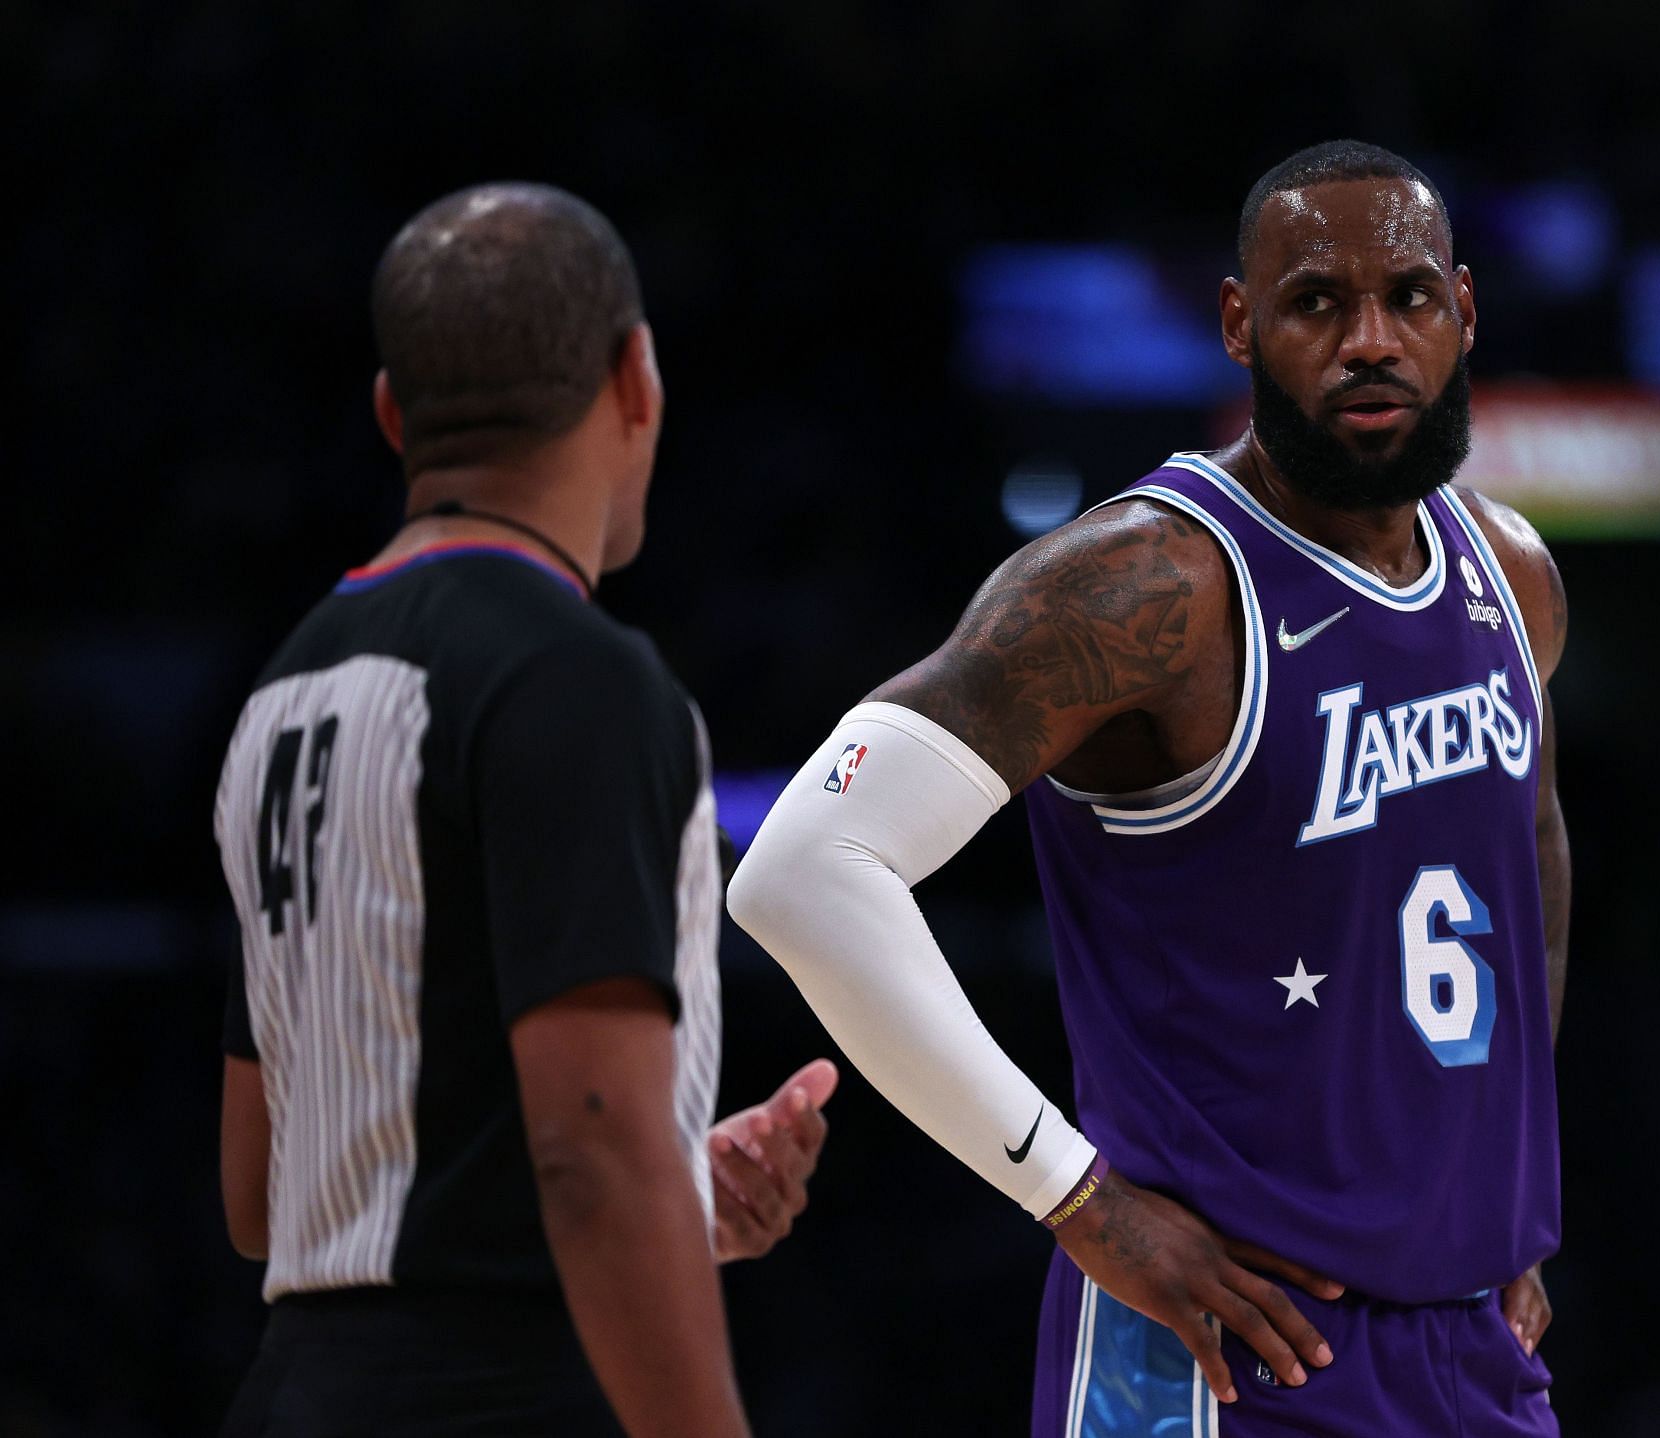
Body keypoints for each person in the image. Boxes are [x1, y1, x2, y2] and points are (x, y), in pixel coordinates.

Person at [728, 139, 1569, 1436]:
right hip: (1218, 1354)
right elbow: (804, 868)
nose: (1368, 340)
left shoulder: (1508, 576)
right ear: (1239, 324)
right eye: (1314, 302)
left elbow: (1526, 852)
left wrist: (1500, 1176)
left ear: (1463, 308)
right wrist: (1076, 1195)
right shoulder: (1149, 584)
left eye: (1406, 297)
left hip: (1474, 1346)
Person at [213, 183, 836, 1438]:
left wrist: (676, 1187)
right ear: (635, 378)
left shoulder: (285, 688)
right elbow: (590, 1161)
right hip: (507, 1399)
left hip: (297, 1392)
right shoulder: (580, 677)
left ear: (395, 413)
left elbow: (263, 1192)